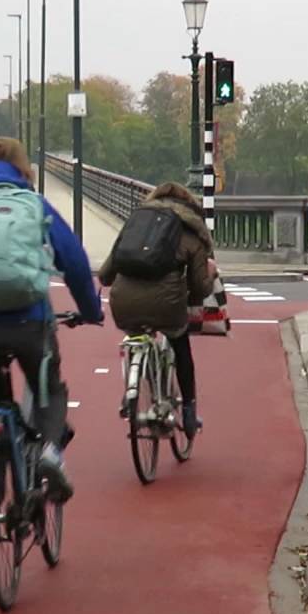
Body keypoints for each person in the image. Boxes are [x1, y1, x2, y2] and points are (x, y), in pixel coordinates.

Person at [0, 137, 104, 502]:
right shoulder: (34, 204)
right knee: (49, 389)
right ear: (23, 167)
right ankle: (48, 452)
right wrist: (91, 311)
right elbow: (73, 260)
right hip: (29, 323)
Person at [98, 182, 217, 438]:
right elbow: (200, 287)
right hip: (168, 305)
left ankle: (133, 389)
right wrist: (209, 278)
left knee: (135, 334)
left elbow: (106, 275)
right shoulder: (191, 234)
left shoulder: (136, 227)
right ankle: (188, 410)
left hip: (123, 304)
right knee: (179, 343)